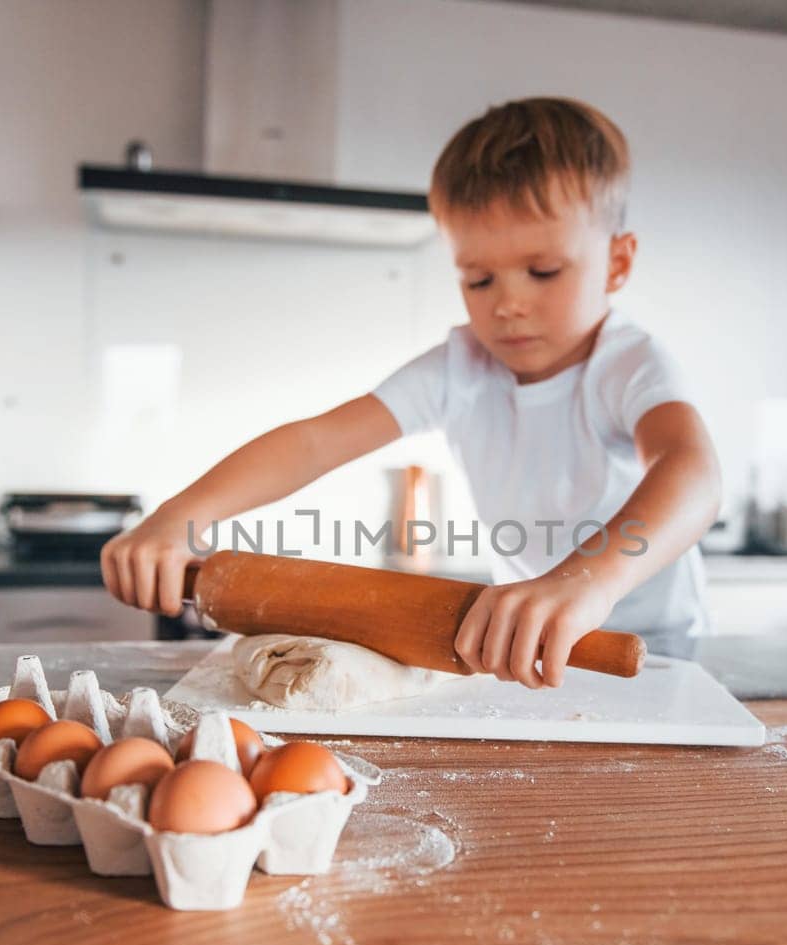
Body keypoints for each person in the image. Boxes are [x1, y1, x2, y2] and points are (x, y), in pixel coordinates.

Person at [102, 97, 721, 689]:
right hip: (527, 640)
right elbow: (316, 443)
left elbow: (690, 470)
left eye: (544, 272)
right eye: (478, 280)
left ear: (617, 262)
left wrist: (587, 584)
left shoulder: (626, 362)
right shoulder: (462, 366)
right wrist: (178, 517)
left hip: (655, 645)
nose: (507, 304)